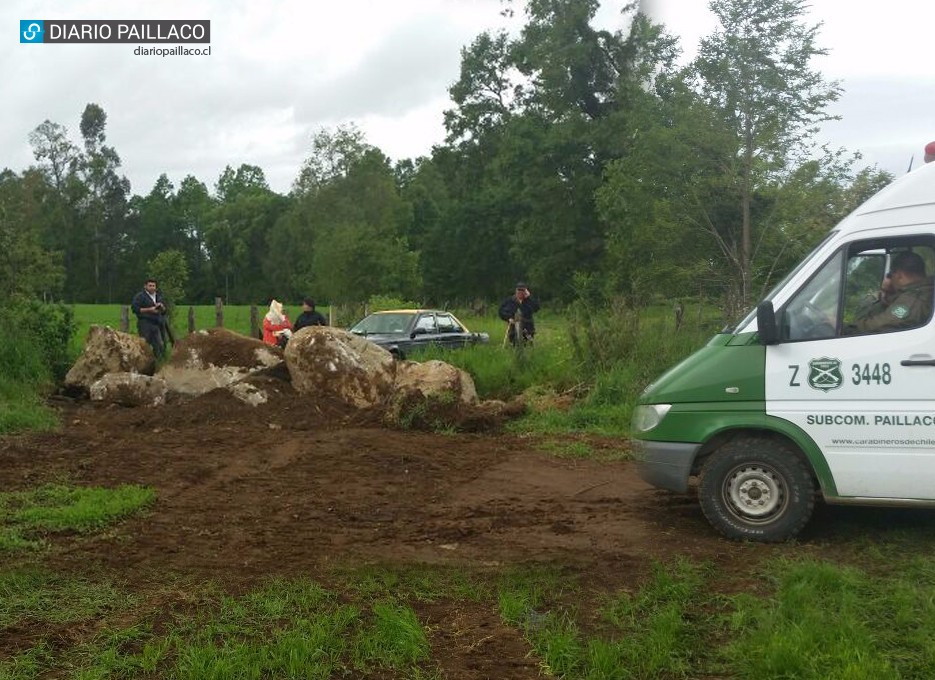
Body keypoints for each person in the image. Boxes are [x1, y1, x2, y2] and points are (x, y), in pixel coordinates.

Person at [853, 252, 934, 333]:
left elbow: (879, 325)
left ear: (899, 275)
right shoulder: (925, 290)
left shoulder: (914, 298)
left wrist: (849, 328)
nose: (891, 281)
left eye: (891, 276)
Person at [131, 278, 168, 357]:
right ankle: (143, 362)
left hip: (157, 323)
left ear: (156, 287)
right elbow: (135, 309)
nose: (152, 287)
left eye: (153, 286)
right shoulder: (140, 296)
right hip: (145, 323)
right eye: (150, 285)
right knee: (144, 345)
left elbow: (165, 311)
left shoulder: (159, 297)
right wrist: (149, 310)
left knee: (160, 344)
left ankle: (157, 362)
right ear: (145, 286)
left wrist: (162, 307)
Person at [498, 282, 540, 346]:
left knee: (528, 346)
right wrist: (508, 318)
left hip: (528, 328)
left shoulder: (529, 301)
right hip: (514, 328)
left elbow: (537, 308)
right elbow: (501, 311)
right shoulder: (510, 300)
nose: (520, 292)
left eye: (522, 290)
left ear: (526, 291)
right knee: (515, 346)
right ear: (516, 290)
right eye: (519, 290)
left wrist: (529, 297)